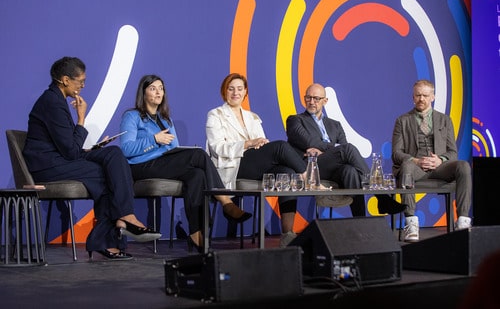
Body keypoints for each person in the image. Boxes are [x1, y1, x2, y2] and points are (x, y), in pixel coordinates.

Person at [23, 56, 161, 260]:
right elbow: (69, 151)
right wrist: (81, 118)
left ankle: (123, 219)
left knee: (113, 153)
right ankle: (114, 231)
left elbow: (69, 147)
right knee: (106, 175)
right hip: (47, 166)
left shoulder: (57, 99)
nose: (83, 85)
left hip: (60, 158)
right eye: (80, 81)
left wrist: (93, 149)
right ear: (65, 80)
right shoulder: (52, 102)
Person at [120, 74, 251, 252]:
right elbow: (126, 149)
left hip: (164, 163)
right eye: (152, 88)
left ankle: (197, 233)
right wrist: (154, 139)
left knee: (197, 175)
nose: (158, 92)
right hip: (141, 166)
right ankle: (225, 201)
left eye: (161, 88)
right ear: (142, 93)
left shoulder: (165, 119)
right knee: (198, 155)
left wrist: (177, 152)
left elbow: (174, 148)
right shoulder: (132, 116)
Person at [205, 73, 339, 248]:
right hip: (233, 164)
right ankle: (311, 179)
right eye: (231, 89)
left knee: (287, 173)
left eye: (239, 89)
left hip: (254, 163)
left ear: (245, 92)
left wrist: (260, 143)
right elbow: (217, 148)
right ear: (224, 91)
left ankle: (287, 234)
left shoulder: (252, 116)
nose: (235, 92)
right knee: (280, 147)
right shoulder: (215, 115)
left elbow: (261, 142)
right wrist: (248, 143)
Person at [286, 83, 406, 217]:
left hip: (333, 168)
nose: (312, 102)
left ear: (325, 101)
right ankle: (382, 197)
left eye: (316, 98)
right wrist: (334, 149)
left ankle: (360, 222)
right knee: (348, 149)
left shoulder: (335, 125)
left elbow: (342, 150)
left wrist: (328, 151)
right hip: (311, 167)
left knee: (350, 171)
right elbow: (310, 142)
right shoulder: (295, 120)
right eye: (308, 98)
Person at [392, 79, 472, 242]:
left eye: (425, 95)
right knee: (406, 165)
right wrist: (416, 161)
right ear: (413, 97)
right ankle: (411, 223)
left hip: (439, 168)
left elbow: (452, 153)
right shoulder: (403, 120)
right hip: (415, 169)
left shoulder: (445, 120)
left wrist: (440, 160)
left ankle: (463, 219)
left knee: (463, 166)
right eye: (418, 95)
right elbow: (396, 153)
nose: (421, 99)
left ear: (432, 97)